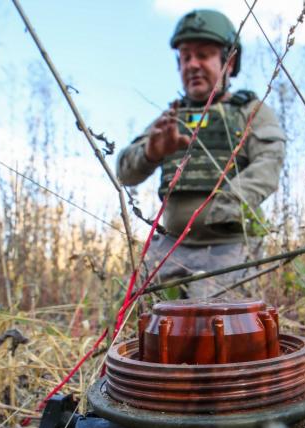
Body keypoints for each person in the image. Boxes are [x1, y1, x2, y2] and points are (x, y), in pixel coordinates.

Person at [117, 8, 286, 298]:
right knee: (141, 319)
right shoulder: (171, 118)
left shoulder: (249, 111)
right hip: (171, 247)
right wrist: (151, 152)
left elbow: (270, 162)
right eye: (185, 57)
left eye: (204, 55)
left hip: (230, 247)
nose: (192, 65)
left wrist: (226, 205)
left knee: (218, 326)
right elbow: (125, 172)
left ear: (228, 62)